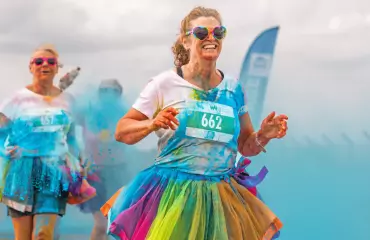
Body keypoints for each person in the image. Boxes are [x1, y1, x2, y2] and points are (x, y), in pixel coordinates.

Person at [101, 6, 288, 240]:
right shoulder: (164, 84)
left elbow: (246, 146)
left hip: (222, 198)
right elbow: (122, 131)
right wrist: (151, 124)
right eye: (201, 33)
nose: (211, 38)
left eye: (218, 33)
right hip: (175, 196)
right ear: (185, 41)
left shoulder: (233, 88)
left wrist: (264, 135)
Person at [0, 44, 94, 239]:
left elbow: (73, 136)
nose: (45, 64)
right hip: (21, 171)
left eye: (51, 62)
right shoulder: (17, 99)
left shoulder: (68, 100)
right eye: (39, 61)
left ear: (57, 67)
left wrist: (80, 159)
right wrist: (5, 149)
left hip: (54, 170)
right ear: (31, 67)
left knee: (43, 234)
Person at [77, 79, 129, 240]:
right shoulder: (87, 113)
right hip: (94, 173)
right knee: (101, 224)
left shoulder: (125, 115)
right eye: (104, 91)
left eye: (112, 91)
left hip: (117, 172)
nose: (108, 95)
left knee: (114, 223)